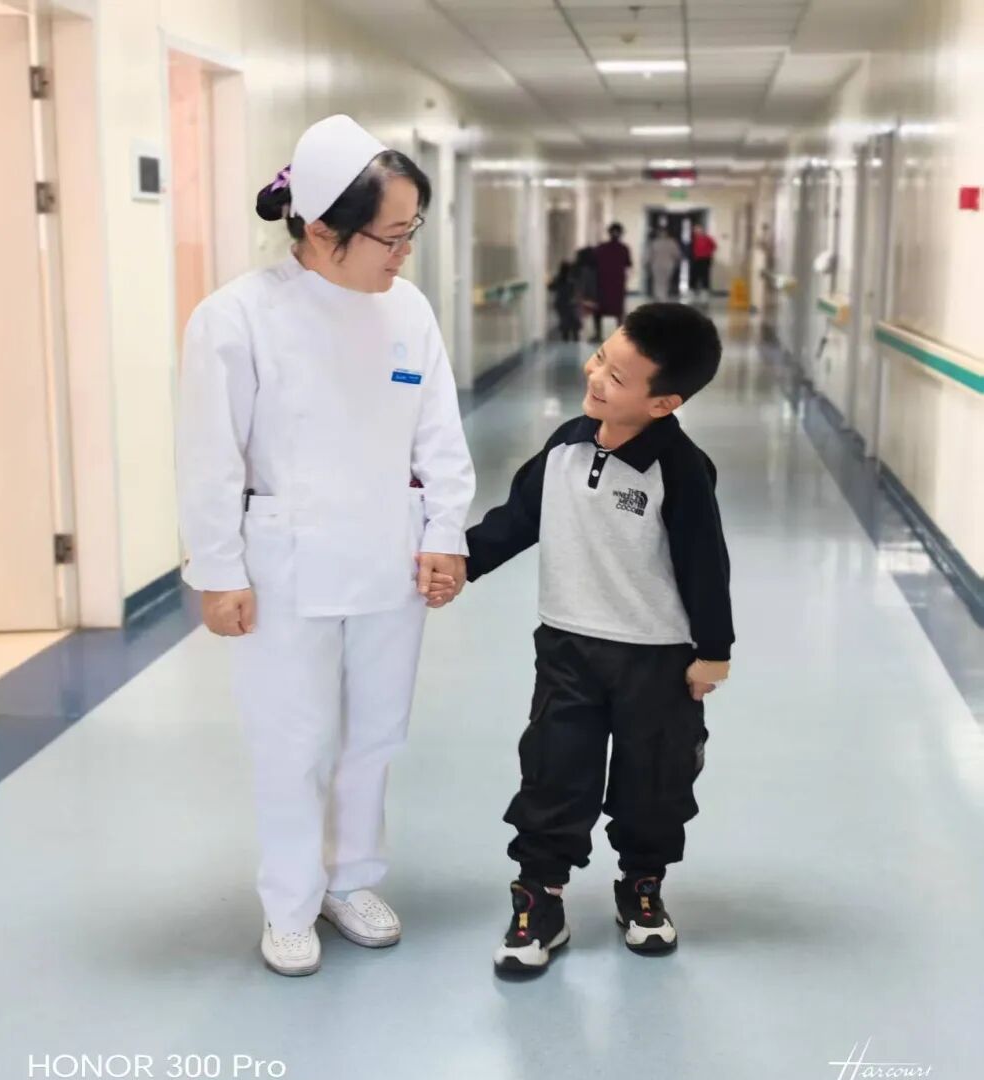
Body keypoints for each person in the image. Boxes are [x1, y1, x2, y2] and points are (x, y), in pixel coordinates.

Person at [176, 115, 475, 977]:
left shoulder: (408, 309)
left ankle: (351, 879)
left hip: (389, 553)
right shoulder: (236, 318)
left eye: (412, 232)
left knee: (376, 731)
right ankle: (289, 900)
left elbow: (438, 432)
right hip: (282, 564)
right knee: (293, 740)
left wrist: (445, 532)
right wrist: (217, 570)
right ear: (318, 230)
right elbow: (208, 456)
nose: (403, 254)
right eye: (390, 236)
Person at [464, 303, 733, 973]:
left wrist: (713, 651)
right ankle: (539, 898)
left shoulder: (679, 468)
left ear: (664, 403)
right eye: (600, 359)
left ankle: (641, 884)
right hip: (567, 643)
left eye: (617, 376)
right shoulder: (565, 445)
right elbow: (518, 518)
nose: (595, 377)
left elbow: (705, 563)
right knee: (553, 769)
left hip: (657, 657)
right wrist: (460, 562)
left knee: (654, 778)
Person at [592, 223, 632, 342]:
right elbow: (628, 264)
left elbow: (593, 263)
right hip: (617, 283)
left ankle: (598, 334)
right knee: (617, 309)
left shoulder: (601, 248)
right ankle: (619, 336)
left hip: (602, 282)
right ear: (621, 234)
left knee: (599, 308)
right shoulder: (624, 248)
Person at [648, 227, 683, 303]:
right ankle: (663, 297)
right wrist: (677, 262)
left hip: (656, 265)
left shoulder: (655, 242)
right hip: (668, 265)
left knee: (657, 281)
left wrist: (647, 263)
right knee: (666, 281)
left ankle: (658, 296)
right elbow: (677, 255)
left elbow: (650, 255)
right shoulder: (672, 242)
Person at [548, 260, 580, 342]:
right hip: (570, 304)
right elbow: (574, 293)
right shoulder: (572, 279)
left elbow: (550, 287)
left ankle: (565, 342)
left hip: (561, 304)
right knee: (574, 326)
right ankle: (575, 344)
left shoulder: (557, 279)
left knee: (565, 325)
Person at [573, 247, 599, 339]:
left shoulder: (578, 268)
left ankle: (578, 333)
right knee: (593, 315)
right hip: (593, 295)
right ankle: (594, 333)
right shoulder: (594, 268)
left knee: (580, 315)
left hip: (582, 295)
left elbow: (578, 284)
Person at [690, 222, 718, 303]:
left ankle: (705, 291)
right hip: (696, 259)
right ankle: (693, 290)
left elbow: (714, 247)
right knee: (694, 274)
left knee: (705, 275)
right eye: (695, 229)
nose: (696, 231)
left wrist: (707, 253)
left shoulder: (707, 238)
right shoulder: (693, 239)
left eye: (698, 229)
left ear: (702, 230)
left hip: (705, 259)